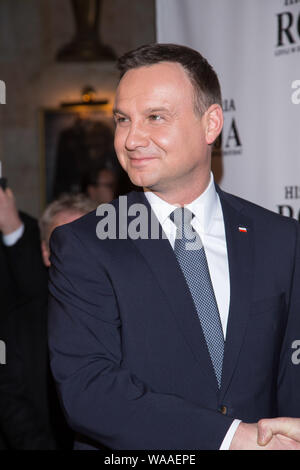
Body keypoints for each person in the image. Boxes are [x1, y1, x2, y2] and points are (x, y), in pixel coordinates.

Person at [47, 43, 300, 450]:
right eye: (123, 120)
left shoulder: (280, 239)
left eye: (155, 117)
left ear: (211, 123)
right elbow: (89, 391)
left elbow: (290, 372)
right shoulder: (85, 245)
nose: (131, 139)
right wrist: (232, 438)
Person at [0, 193, 95, 449]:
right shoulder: (18, 324)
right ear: (45, 252)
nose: (75, 254)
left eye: (85, 241)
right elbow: (10, 400)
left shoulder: (128, 315)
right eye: (62, 242)